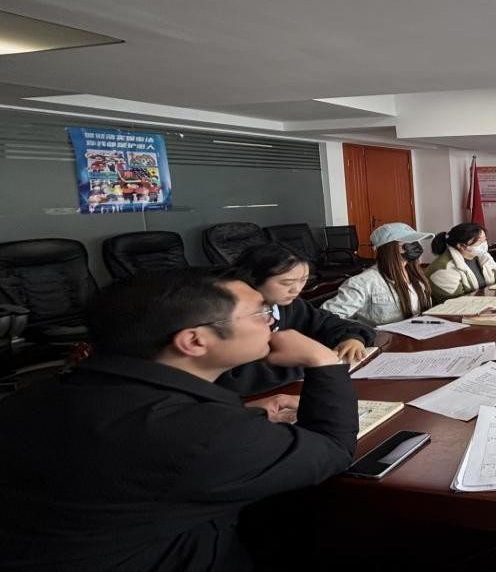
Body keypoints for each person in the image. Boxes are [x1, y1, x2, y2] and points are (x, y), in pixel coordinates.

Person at [0, 269, 357, 571]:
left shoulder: (36, 395)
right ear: (194, 341)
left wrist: (245, 412)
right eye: (260, 313)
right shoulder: (201, 433)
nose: (273, 322)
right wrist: (323, 361)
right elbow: (332, 450)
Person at [216, 243, 376, 396]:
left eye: (303, 280)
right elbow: (234, 379)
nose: (297, 289)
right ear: (254, 279)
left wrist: (352, 338)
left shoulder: (289, 305)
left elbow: (328, 322)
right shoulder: (227, 317)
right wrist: (309, 361)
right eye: (286, 283)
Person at [322, 222, 434, 326]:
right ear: (390, 247)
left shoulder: (416, 276)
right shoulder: (363, 282)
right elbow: (326, 317)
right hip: (383, 340)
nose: (415, 246)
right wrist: (356, 335)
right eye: (409, 241)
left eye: (416, 241)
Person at [425, 222, 496, 303]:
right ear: (461, 246)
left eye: (485, 240)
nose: (484, 244)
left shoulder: (483, 257)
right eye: (479, 241)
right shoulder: (443, 270)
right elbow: (459, 304)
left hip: (487, 304)